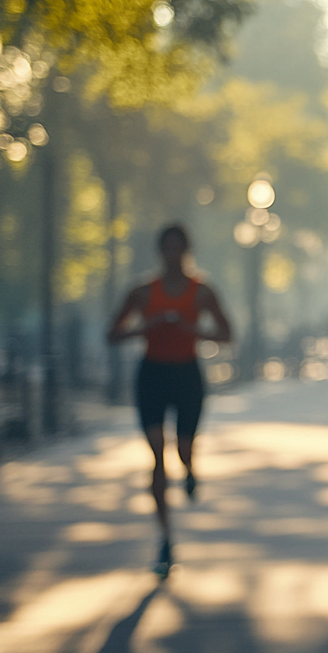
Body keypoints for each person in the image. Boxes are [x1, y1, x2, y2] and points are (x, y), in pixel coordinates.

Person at [107, 224, 232, 576]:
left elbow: (227, 333)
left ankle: (190, 468)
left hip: (187, 374)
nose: (173, 254)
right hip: (152, 375)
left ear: (187, 251)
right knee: (157, 453)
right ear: (160, 251)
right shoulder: (143, 292)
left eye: (179, 248)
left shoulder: (202, 292)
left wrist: (194, 331)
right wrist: (147, 327)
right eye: (168, 248)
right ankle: (165, 536)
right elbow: (113, 333)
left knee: (183, 448)